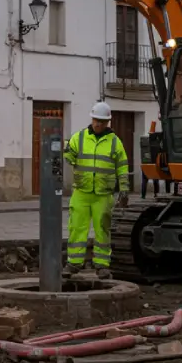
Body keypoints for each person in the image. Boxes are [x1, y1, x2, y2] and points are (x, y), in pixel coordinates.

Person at [64, 101, 130, 279]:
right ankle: (74, 263)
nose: (98, 124)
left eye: (102, 121)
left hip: (103, 194)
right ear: (92, 119)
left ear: (108, 122)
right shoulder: (79, 138)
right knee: (77, 227)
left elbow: (122, 167)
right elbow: (69, 155)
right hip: (82, 192)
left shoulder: (115, 142)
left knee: (103, 229)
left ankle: (102, 265)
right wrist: (64, 151)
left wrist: (124, 189)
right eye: (96, 120)